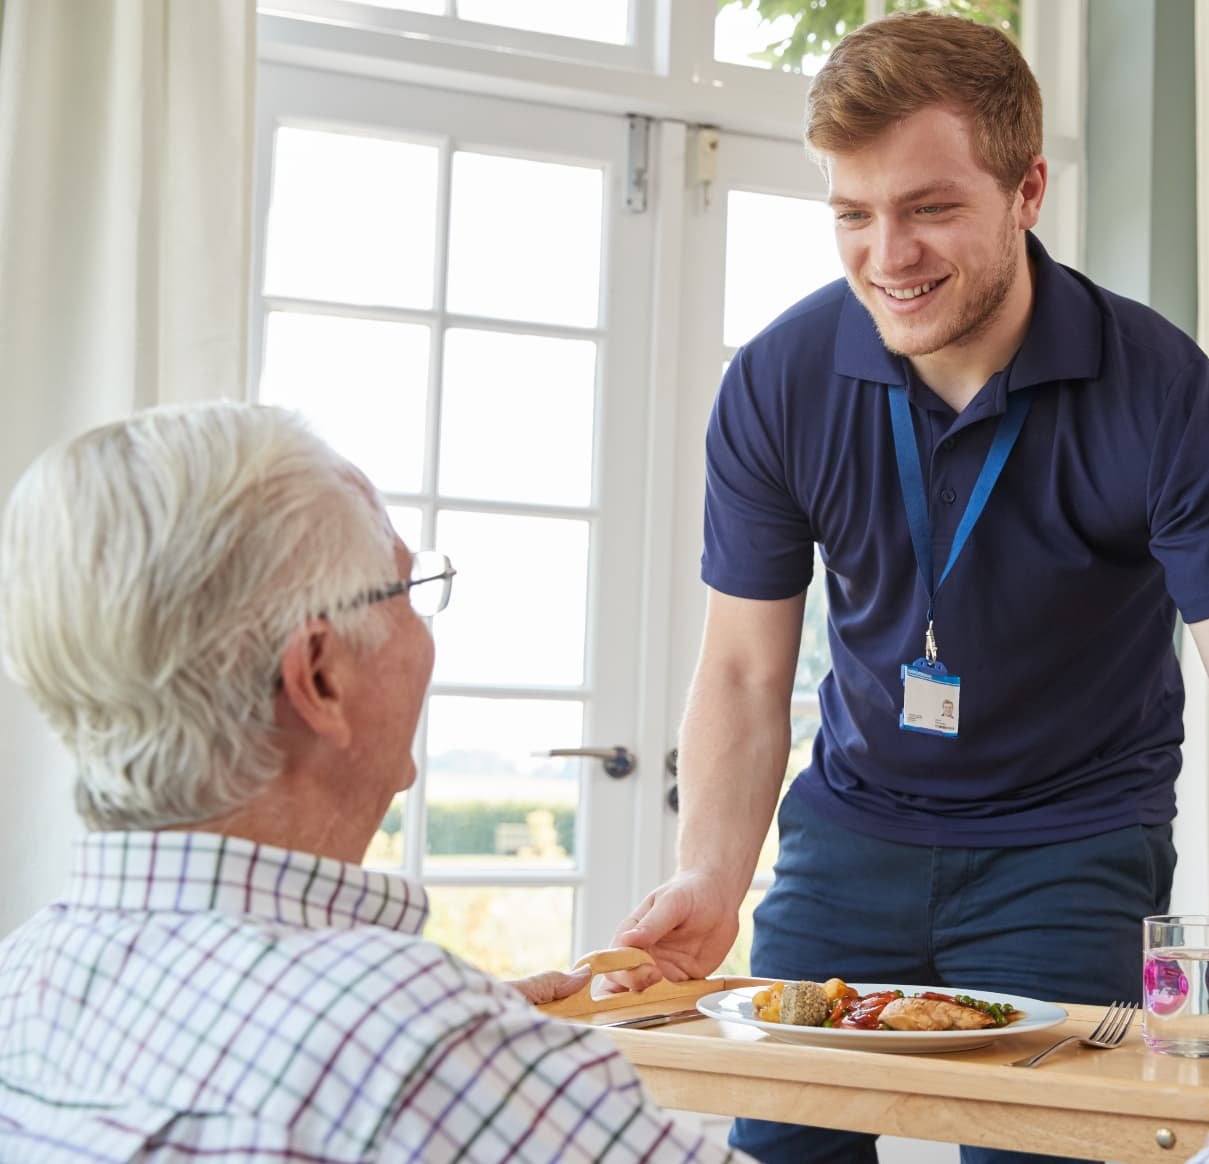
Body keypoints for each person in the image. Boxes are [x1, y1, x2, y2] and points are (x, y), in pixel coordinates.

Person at [614, 12, 1209, 1164]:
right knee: (783, 1149)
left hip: (1070, 846)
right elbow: (739, 667)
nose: (889, 255)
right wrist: (712, 874)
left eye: (929, 208)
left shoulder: (1160, 389)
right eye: (855, 215)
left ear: (1028, 190)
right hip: (850, 835)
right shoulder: (778, 382)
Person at [0, 403, 741, 1162]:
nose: (425, 630)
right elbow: (382, 1056)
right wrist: (476, 1056)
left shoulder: (22, 975)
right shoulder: (414, 1045)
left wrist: (485, 1056)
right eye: (406, 588)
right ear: (319, 676)